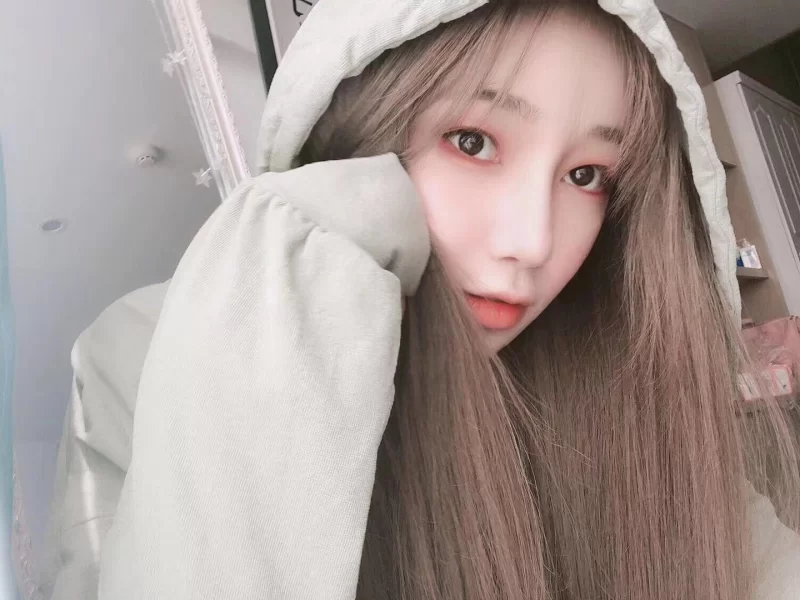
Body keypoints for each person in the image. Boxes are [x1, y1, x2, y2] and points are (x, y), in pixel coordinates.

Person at [42, 0, 800, 598]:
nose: (533, 241)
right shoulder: (143, 348)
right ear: (348, 141)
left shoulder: (632, 410)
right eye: (473, 142)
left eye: (587, 176)